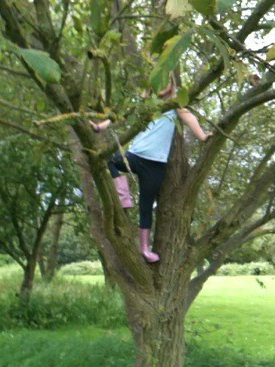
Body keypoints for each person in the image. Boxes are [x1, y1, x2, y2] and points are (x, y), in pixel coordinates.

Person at [89, 76, 213, 263]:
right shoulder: (145, 104)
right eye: (158, 83)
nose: (163, 86)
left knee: (146, 206)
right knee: (111, 161)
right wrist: (100, 127)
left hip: (155, 164)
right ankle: (123, 196)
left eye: (166, 82)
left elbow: (189, 117)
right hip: (135, 156)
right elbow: (121, 117)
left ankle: (145, 249)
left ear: (172, 85)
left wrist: (203, 136)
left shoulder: (174, 105)